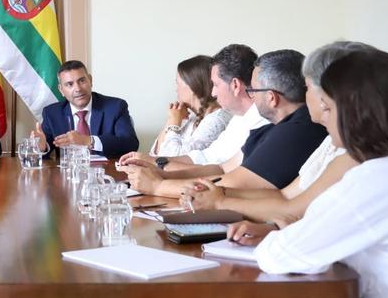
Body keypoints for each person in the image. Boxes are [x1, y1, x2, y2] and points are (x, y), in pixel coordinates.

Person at [225, 48, 388, 298]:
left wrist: (281, 236)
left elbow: (280, 257)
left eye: (325, 110)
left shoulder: (377, 175)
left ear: (350, 112)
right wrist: (287, 231)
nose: (321, 122)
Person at [181, 42, 371, 224]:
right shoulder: (332, 142)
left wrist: (220, 201)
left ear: (327, 98)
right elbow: (285, 196)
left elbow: (293, 211)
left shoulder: (353, 153)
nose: (303, 94)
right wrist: (219, 195)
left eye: (308, 87)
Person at [124, 50, 327, 198]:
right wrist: (159, 174)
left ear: (272, 98)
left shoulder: (296, 130)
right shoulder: (268, 127)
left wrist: (159, 186)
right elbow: (221, 168)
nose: (250, 97)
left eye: (253, 91)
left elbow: (233, 184)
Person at [121, 44, 269, 171]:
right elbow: (207, 157)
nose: (213, 92)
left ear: (235, 85)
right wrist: (151, 161)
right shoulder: (239, 118)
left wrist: (158, 174)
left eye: (216, 85)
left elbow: (222, 171)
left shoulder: (259, 121)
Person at [33, 60, 138, 158]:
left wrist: (88, 140)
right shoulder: (52, 113)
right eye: (69, 84)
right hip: (69, 175)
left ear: (90, 81)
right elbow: (45, 150)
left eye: (82, 81)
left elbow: (130, 144)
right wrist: (42, 148)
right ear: (61, 90)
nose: (78, 89)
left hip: (106, 173)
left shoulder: (115, 107)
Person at [149, 55, 232, 157]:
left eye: (177, 84)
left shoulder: (216, 120)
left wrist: (174, 123)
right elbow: (155, 154)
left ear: (192, 86)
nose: (176, 90)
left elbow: (171, 158)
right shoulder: (191, 116)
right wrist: (172, 118)